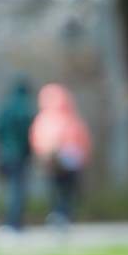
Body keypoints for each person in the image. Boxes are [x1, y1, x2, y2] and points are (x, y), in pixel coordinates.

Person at [29, 83, 92, 227]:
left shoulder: (44, 118)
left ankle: (58, 213)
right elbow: (83, 138)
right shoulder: (71, 117)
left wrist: (41, 153)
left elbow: (36, 138)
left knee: (56, 188)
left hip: (53, 160)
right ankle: (64, 213)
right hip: (70, 159)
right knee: (66, 189)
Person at [0, 77, 36, 230]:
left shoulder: (6, 108)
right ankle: (14, 222)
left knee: (11, 188)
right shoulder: (26, 110)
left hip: (5, 153)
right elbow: (30, 134)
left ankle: (10, 221)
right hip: (20, 154)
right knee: (18, 189)